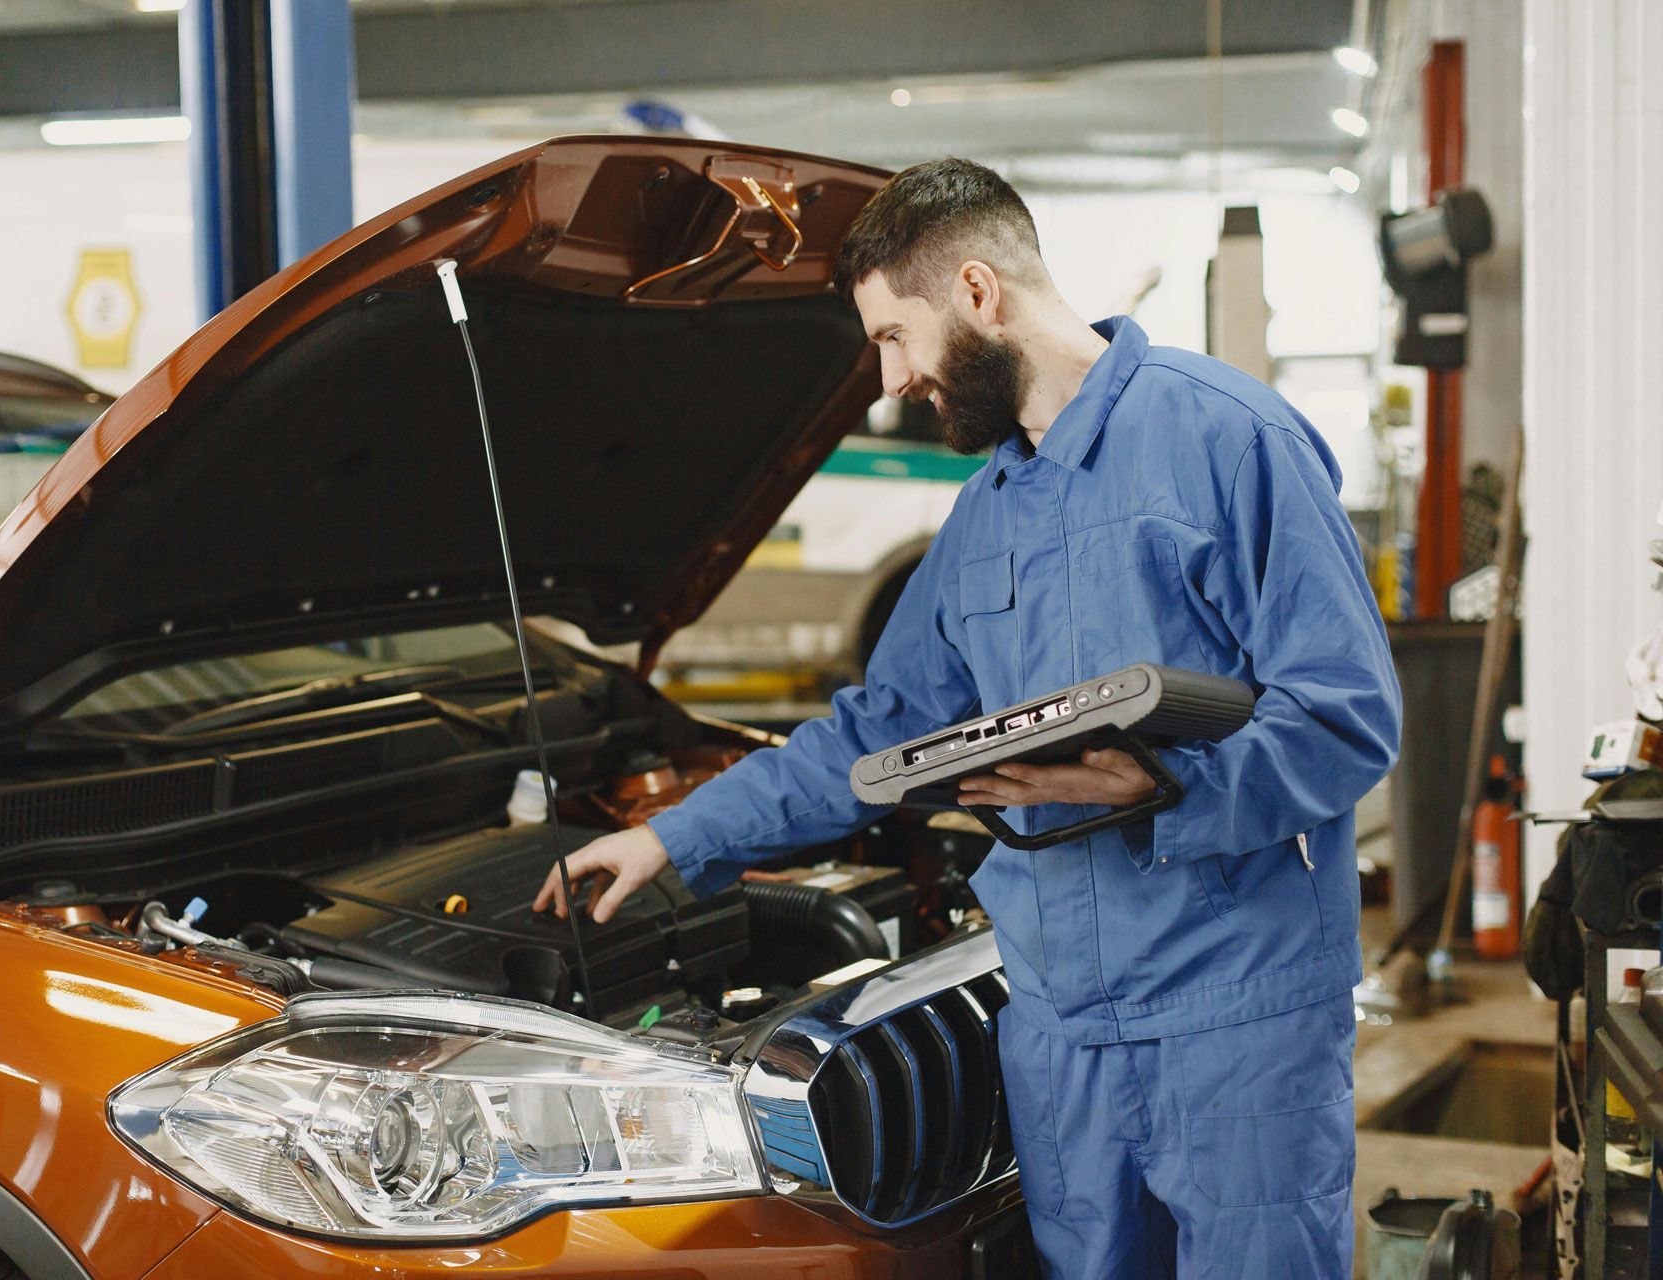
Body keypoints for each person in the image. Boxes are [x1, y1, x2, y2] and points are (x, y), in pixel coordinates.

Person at [533, 157, 1401, 1280]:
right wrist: (669, 837)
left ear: (978, 292)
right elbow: (869, 733)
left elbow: (1346, 712)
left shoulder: (1226, 438)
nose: (890, 380)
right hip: (1057, 1028)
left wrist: (1165, 784)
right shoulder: (985, 517)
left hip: (1232, 1012)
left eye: (896, 337)